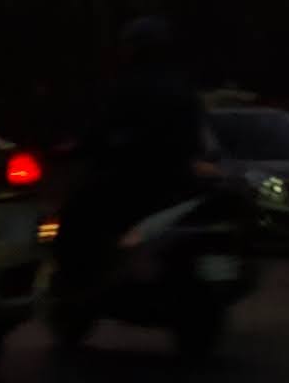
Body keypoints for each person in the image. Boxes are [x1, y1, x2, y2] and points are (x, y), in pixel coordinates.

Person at [56, 16, 215, 290]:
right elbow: (198, 135)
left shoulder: (129, 85)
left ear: (136, 48)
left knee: (76, 210)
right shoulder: (182, 86)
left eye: (128, 46)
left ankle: (77, 279)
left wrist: (80, 147)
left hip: (135, 176)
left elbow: (104, 126)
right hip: (179, 176)